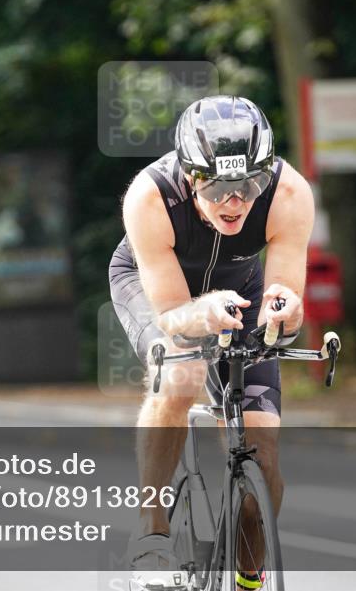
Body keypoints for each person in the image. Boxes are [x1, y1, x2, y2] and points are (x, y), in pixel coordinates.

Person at [109, 96, 313, 588]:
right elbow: (174, 314)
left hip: (241, 287)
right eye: (218, 187)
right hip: (155, 285)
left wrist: (285, 313)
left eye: (247, 185)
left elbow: (283, 294)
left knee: (262, 455)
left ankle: (247, 576)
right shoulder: (150, 197)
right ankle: (153, 537)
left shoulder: (288, 192)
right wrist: (200, 313)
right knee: (182, 373)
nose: (234, 201)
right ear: (191, 176)